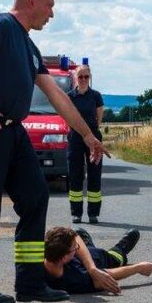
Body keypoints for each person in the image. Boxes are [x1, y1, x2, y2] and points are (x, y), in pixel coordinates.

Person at [0, 0, 108, 303]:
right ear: (32, 1)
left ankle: (31, 283)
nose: (52, 14)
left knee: (36, 197)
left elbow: (56, 96)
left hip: (13, 132)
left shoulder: (28, 45)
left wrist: (88, 135)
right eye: (50, 6)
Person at [44, 227, 152, 294]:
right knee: (112, 259)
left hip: (86, 260)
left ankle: (87, 242)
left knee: (78, 234)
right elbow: (107, 275)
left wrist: (91, 268)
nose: (76, 247)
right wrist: (138, 268)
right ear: (65, 258)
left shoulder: (41, 256)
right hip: (97, 258)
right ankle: (119, 249)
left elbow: (74, 235)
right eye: (75, 247)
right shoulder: (77, 278)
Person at [67, 63, 104, 224]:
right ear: (75, 78)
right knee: (75, 175)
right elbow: (67, 117)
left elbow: (99, 117)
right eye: (80, 76)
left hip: (94, 137)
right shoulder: (69, 97)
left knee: (94, 174)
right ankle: (76, 213)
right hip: (75, 137)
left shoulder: (96, 96)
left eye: (86, 76)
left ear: (89, 78)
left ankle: (93, 213)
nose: (83, 79)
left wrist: (92, 133)